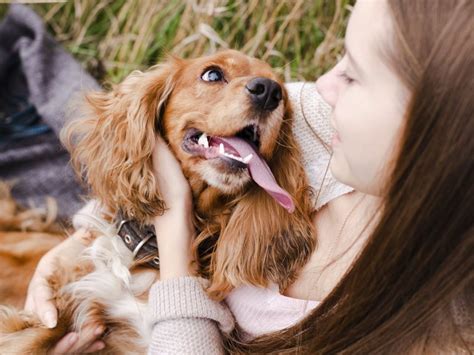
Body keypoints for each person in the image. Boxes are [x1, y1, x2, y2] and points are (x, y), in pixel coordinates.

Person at [25, 0, 473, 353]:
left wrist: (175, 237)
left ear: (434, 123)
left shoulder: (437, 329)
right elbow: (145, 141)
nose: (319, 86)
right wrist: (72, 246)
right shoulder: (319, 121)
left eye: (353, 74)